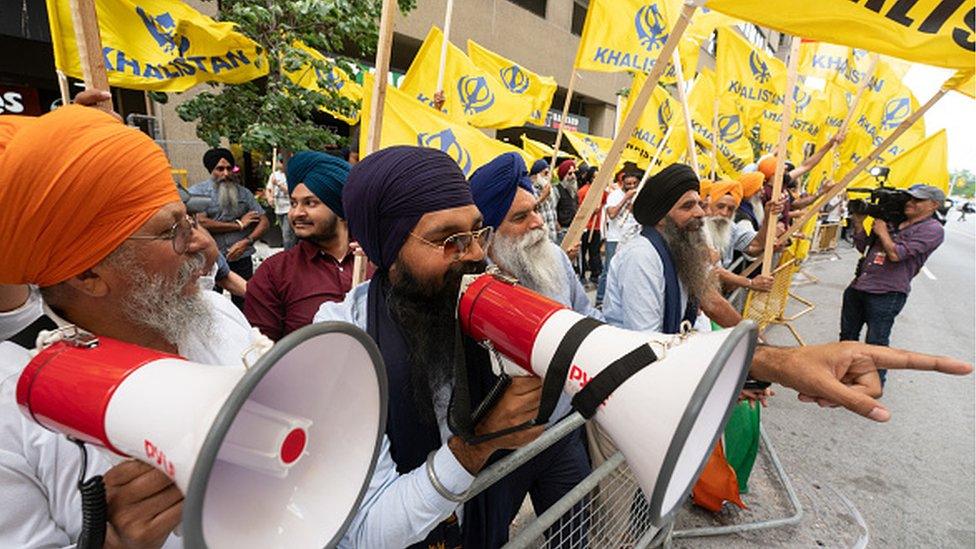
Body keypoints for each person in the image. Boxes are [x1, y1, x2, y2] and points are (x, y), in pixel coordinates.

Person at [0, 102, 260, 548]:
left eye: (190, 219)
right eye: (171, 231)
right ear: (87, 275)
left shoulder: (216, 313)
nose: (203, 246)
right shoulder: (12, 407)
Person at [316, 146, 568, 548]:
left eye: (476, 231)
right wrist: (481, 442)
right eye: (448, 239)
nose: (476, 253)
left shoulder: (466, 302)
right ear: (387, 247)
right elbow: (368, 533)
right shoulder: (341, 341)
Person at [245, 151, 369, 341]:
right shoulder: (273, 274)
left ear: (341, 208)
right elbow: (261, 352)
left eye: (310, 203)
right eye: (293, 203)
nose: (296, 213)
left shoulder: (377, 263)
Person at [470, 152, 601, 321]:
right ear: (488, 235)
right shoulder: (475, 288)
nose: (538, 222)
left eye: (536, 210)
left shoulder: (556, 256)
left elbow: (587, 314)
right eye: (520, 217)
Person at [840, 184, 947, 386]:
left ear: (933, 205)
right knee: (847, 337)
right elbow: (863, 247)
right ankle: (843, 374)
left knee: (876, 343)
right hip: (860, 285)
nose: (910, 203)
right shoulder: (893, 220)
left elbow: (896, 254)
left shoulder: (932, 230)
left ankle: (874, 385)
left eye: (918, 200)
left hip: (887, 293)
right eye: (909, 198)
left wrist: (882, 231)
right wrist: (859, 224)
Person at [189, 147, 269, 309]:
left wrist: (246, 241)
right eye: (220, 169)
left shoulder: (244, 194)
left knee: (246, 301)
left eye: (229, 168)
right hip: (210, 259)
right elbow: (201, 223)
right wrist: (239, 224)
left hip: (241, 257)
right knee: (210, 303)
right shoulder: (197, 193)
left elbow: (264, 221)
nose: (225, 173)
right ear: (211, 169)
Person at [702, 179, 778, 294]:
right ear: (709, 204)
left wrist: (768, 216)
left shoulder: (731, 227)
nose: (724, 213)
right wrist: (750, 283)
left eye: (730, 209)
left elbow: (755, 245)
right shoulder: (697, 228)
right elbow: (714, 270)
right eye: (720, 206)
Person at [596, 170, 640, 307]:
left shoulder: (639, 195)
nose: (632, 186)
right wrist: (625, 198)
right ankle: (600, 299)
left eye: (634, 183)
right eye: (628, 184)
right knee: (609, 269)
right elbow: (612, 214)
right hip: (615, 238)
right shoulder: (615, 196)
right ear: (623, 183)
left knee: (630, 270)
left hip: (633, 237)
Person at [576, 166, 604, 287]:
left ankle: (595, 275)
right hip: (585, 227)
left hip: (596, 227)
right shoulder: (582, 191)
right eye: (594, 177)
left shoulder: (601, 192)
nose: (595, 179)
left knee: (595, 252)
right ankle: (582, 276)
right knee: (582, 252)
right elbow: (578, 210)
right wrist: (591, 211)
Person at [265, 156, 296, 249]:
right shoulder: (274, 175)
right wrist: (269, 197)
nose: (280, 163)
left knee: (287, 234)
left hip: (289, 208)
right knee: (284, 233)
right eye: (280, 161)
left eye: (282, 162)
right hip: (279, 208)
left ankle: (287, 255)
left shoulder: (291, 175)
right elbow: (268, 189)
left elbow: (292, 191)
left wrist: (278, 184)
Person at [529, 158, 559, 242]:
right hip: (540, 241)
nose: (548, 177)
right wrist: (542, 198)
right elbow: (529, 210)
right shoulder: (530, 191)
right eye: (545, 173)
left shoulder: (549, 189)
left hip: (552, 239)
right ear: (535, 175)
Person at [555, 159, 579, 243]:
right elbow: (553, 212)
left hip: (574, 232)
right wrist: (560, 230)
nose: (573, 176)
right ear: (563, 176)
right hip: (562, 232)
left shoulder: (573, 190)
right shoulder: (556, 190)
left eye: (574, 173)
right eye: (569, 173)